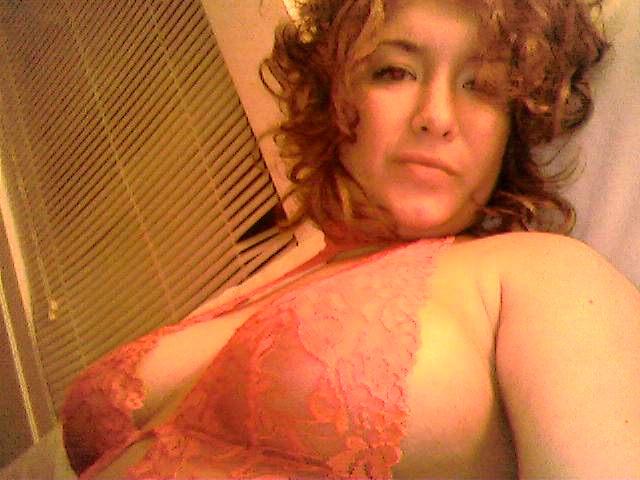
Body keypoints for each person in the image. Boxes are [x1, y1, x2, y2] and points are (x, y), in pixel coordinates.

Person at [62, 0, 640, 478]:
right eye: (395, 72)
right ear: (332, 95)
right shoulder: (247, 291)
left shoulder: (546, 274)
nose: (437, 116)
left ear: (514, 127)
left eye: (483, 86)